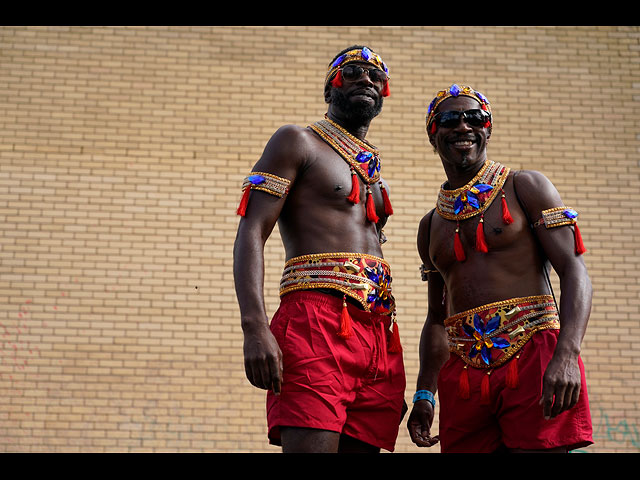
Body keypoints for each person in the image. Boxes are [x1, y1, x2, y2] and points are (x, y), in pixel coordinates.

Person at [233, 46, 406, 453]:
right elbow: (252, 230)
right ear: (331, 87)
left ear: (385, 94)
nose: (367, 80)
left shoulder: (373, 171)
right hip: (316, 322)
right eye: (354, 73)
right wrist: (254, 326)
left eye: (376, 77)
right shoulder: (297, 141)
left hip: (378, 333)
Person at [407, 84, 593, 453]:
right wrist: (425, 392)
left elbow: (575, 272)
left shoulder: (525, 186)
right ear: (433, 134)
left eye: (474, 118)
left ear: (488, 129)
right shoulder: (430, 225)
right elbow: (435, 318)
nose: (463, 126)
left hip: (534, 358)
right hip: (463, 374)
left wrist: (567, 354)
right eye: (449, 119)